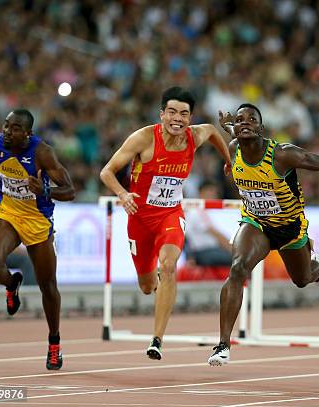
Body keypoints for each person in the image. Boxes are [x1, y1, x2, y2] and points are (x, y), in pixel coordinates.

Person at [208, 103, 319, 366]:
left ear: (261, 128)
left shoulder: (282, 155)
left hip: (290, 227)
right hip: (256, 223)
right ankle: (223, 344)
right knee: (237, 268)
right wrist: (229, 129)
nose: (245, 123)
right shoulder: (234, 148)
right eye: (241, 120)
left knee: (302, 279)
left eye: (251, 120)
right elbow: (234, 139)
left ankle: (316, 266)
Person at [99, 86, 232, 360]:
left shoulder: (195, 135)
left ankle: (157, 339)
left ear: (189, 118)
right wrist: (123, 195)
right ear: (162, 114)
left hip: (170, 215)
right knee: (147, 285)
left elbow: (213, 130)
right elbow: (107, 172)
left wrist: (229, 161)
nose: (178, 118)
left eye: (184, 113)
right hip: (139, 219)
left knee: (169, 266)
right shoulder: (143, 138)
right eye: (172, 111)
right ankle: (160, 289)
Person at [0, 109, 75, 370]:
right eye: (6, 125)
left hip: (37, 220)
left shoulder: (42, 152)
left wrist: (45, 189)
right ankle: (12, 283)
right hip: (9, 214)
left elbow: (70, 191)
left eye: (14, 128)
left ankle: (54, 343)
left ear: (28, 133)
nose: (7, 131)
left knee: (48, 286)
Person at [184, 180, 232, 267]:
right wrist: (234, 250)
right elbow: (216, 234)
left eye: (214, 192)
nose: (213, 195)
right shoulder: (196, 212)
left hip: (215, 250)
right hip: (202, 252)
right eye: (209, 192)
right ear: (201, 193)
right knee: (239, 259)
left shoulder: (213, 212)